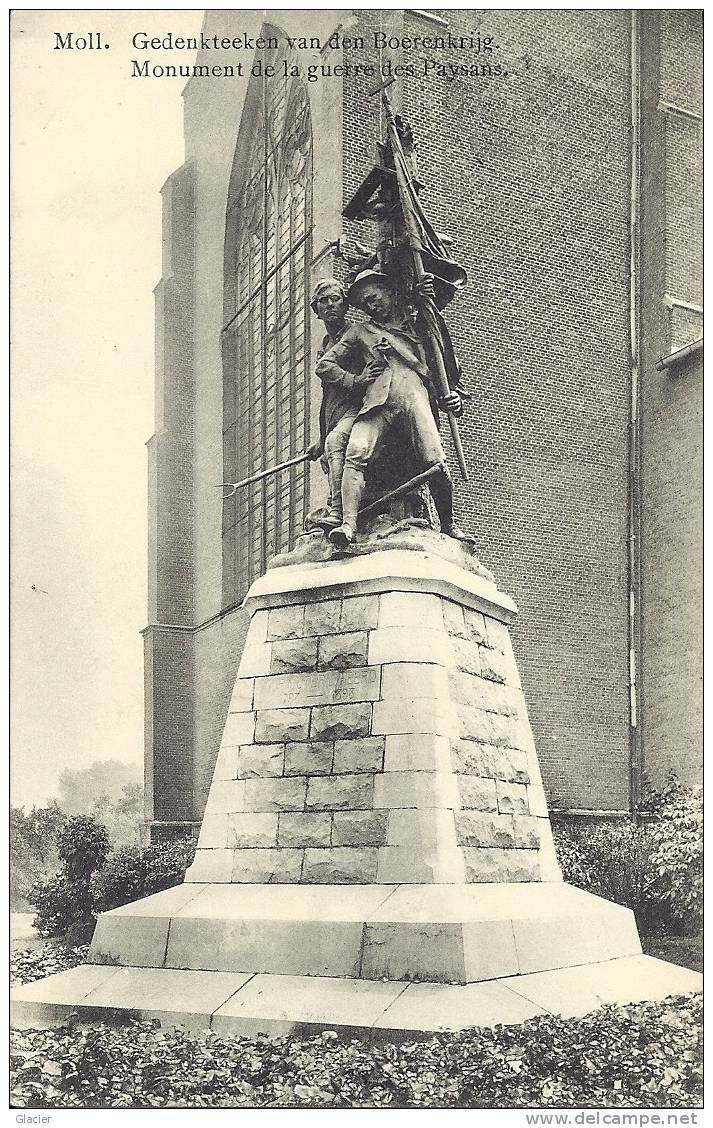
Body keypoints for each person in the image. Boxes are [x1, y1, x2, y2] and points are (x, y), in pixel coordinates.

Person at [316, 269, 469, 546]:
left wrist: (453, 399)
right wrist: (357, 381)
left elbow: (441, 368)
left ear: (389, 292)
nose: (371, 306)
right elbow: (325, 364)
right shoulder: (360, 331)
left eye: (374, 298)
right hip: (377, 403)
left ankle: (449, 524)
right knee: (356, 450)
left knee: (435, 461)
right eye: (365, 304)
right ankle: (347, 525)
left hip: (415, 398)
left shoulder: (418, 328)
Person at [308, 278, 381, 530]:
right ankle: (335, 508)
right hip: (335, 413)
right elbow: (328, 395)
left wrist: (356, 381)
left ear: (345, 304)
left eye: (336, 299)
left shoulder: (356, 333)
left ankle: (338, 513)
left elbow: (375, 369)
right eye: (323, 301)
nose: (330, 305)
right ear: (316, 310)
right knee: (329, 449)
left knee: (335, 443)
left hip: (360, 410)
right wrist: (320, 437)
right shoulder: (325, 345)